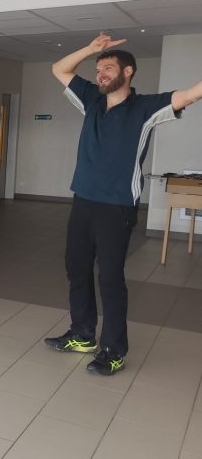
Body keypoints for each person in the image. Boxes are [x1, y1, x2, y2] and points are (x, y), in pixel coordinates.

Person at [44, 33, 202, 375]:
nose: (100, 74)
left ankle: (114, 350)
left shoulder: (146, 107)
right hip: (83, 200)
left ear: (127, 72)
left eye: (108, 68)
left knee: (110, 278)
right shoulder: (91, 99)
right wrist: (90, 49)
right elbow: (59, 68)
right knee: (77, 269)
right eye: (98, 69)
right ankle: (82, 334)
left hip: (116, 207)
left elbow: (191, 93)